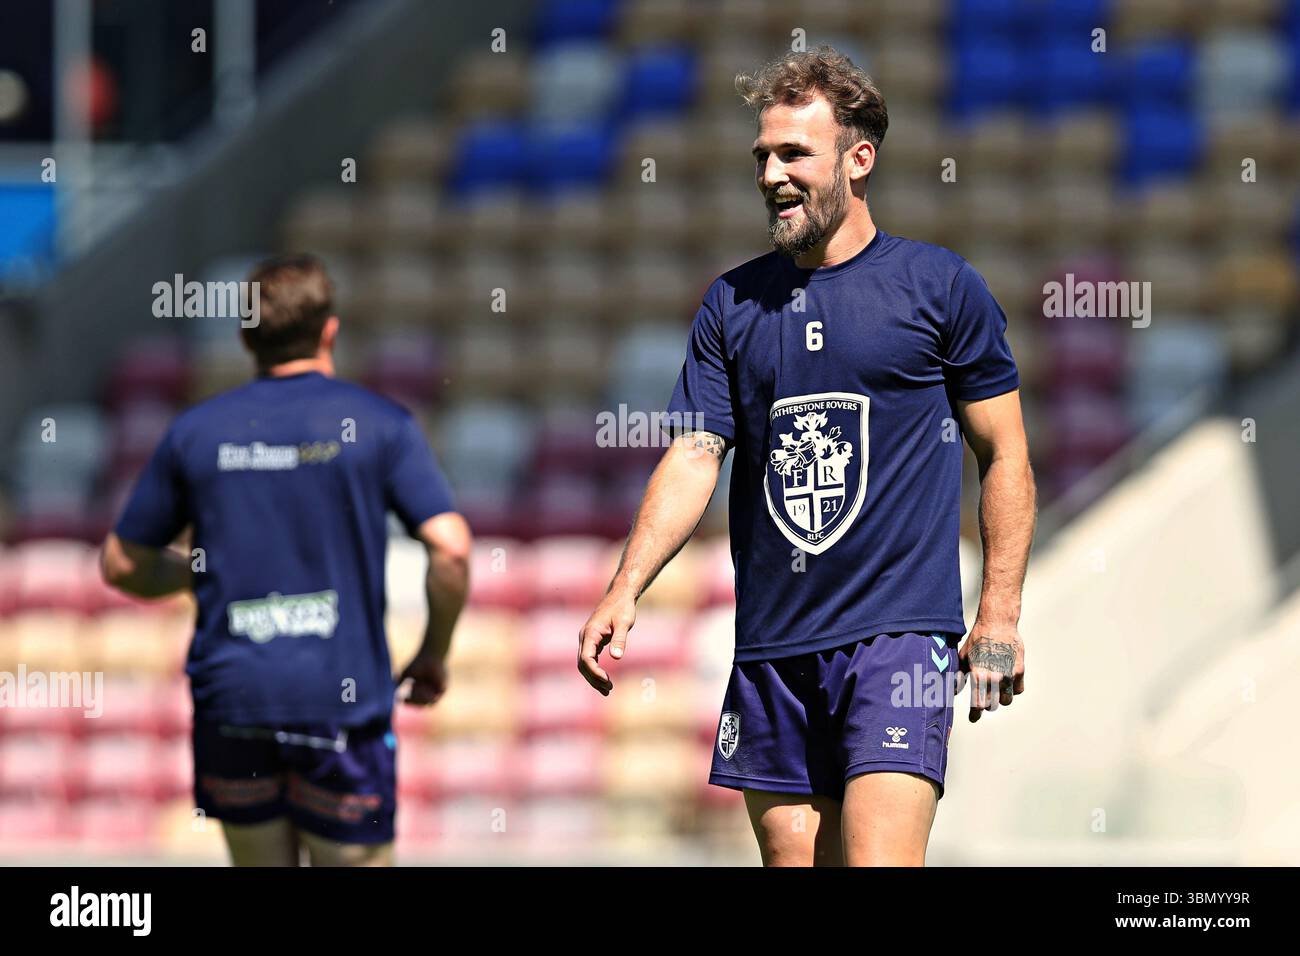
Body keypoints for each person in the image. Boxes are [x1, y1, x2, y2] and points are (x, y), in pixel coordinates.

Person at [578, 48, 1036, 866]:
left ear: (859, 160)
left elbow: (1005, 454)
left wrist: (998, 613)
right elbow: (695, 455)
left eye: (795, 154)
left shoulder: (939, 287)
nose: (771, 175)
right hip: (772, 646)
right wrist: (626, 583)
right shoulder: (731, 303)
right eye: (763, 155)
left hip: (900, 638)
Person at [102, 254, 470, 866]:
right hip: (341, 703)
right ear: (331, 330)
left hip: (236, 698)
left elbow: (120, 563)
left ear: (247, 337)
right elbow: (451, 548)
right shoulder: (379, 425)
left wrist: (193, 574)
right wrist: (433, 651)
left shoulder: (197, 431)